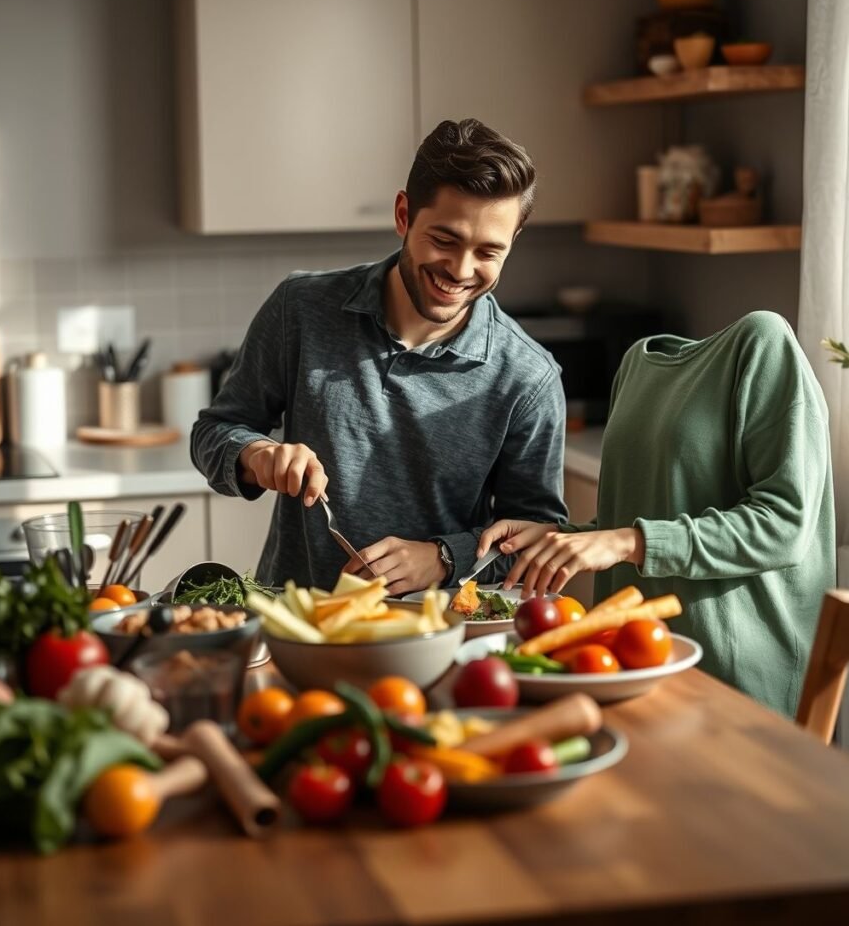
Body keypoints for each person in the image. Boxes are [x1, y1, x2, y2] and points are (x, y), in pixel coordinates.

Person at [191, 118, 568, 594]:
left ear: (512, 244)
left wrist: (443, 557)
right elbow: (212, 432)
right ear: (403, 215)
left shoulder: (527, 378)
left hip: (438, 637)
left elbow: (538, 535)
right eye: (445, 240)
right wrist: (256, 454)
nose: (461, 270)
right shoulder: (301, 309)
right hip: (296, 624)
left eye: (488, 251)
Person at [477, 311, 836, 716]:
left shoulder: (763, 342)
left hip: (733, 685)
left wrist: (622, 541)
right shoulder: (635, 364)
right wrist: (566, 538)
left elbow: (785, 526)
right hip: (631, 665)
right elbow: (642, 525)